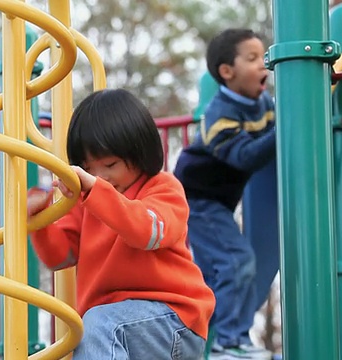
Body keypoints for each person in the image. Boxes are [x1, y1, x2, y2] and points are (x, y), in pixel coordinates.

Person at [27, 88, 215, 360]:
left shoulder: (162, 188)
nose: (100, 177)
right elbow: (60, 256)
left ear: (139, 152)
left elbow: (145, 232)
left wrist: (95, 191)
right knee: (94, 328)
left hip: (174, 319)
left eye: (110, 165)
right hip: (115, 325)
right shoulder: (87, 202)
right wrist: (39, 222)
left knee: (100, 325)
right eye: (89, 169)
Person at [173, 28, 276, 360]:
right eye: (252, 59)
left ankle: (214, 341)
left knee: (212, 275)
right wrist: (287, 126)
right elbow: (244, 156)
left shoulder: (264, 104)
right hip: (197, 197)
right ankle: (227, 343)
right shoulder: (219, 113)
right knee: (237, 261)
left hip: (219, 201)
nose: (264, 65)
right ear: (227, 72)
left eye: (264, 56)